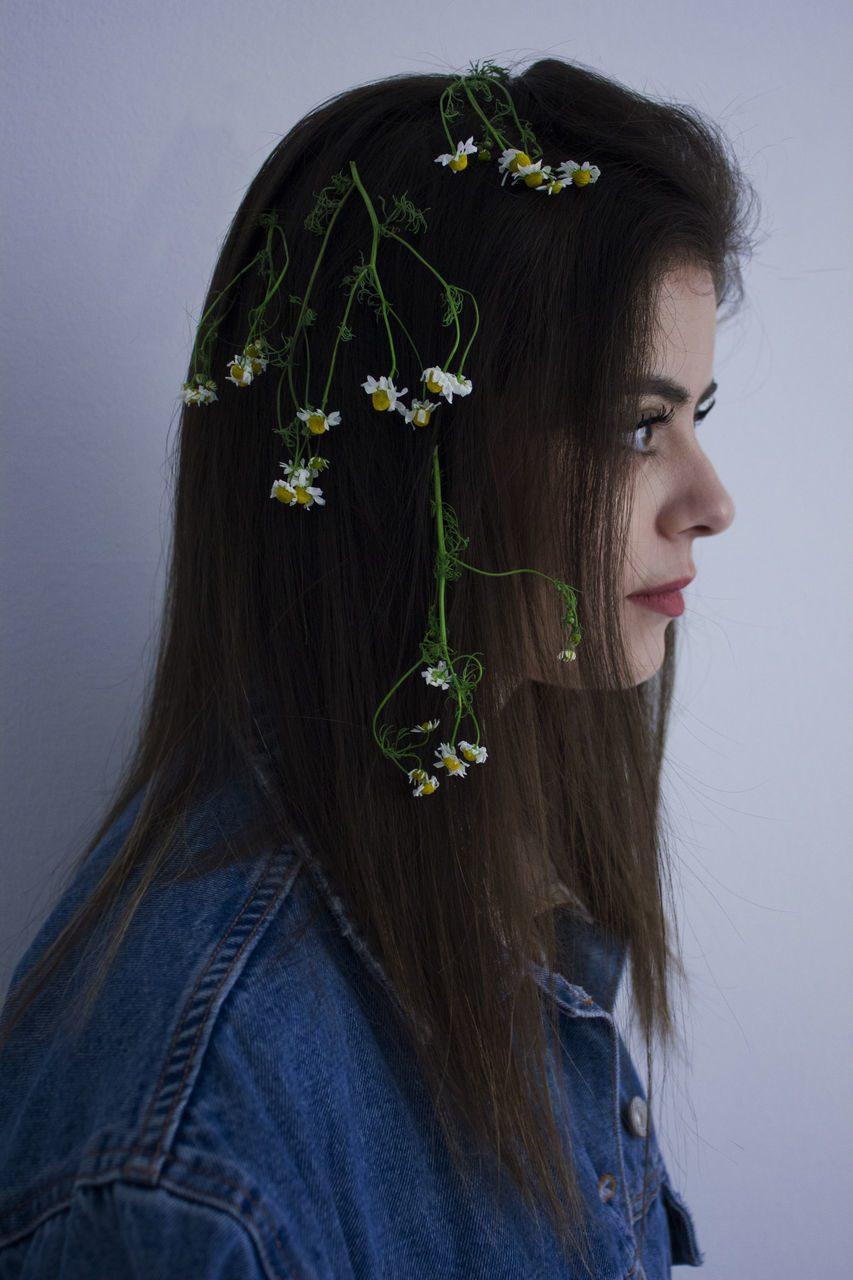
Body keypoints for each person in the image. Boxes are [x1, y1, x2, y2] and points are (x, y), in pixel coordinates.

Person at [0, 58, 756, 1277]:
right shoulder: (183, 1153)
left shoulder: (493, 846)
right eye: (632, 423)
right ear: (416, 460)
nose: (711, 502)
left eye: (695, 415)